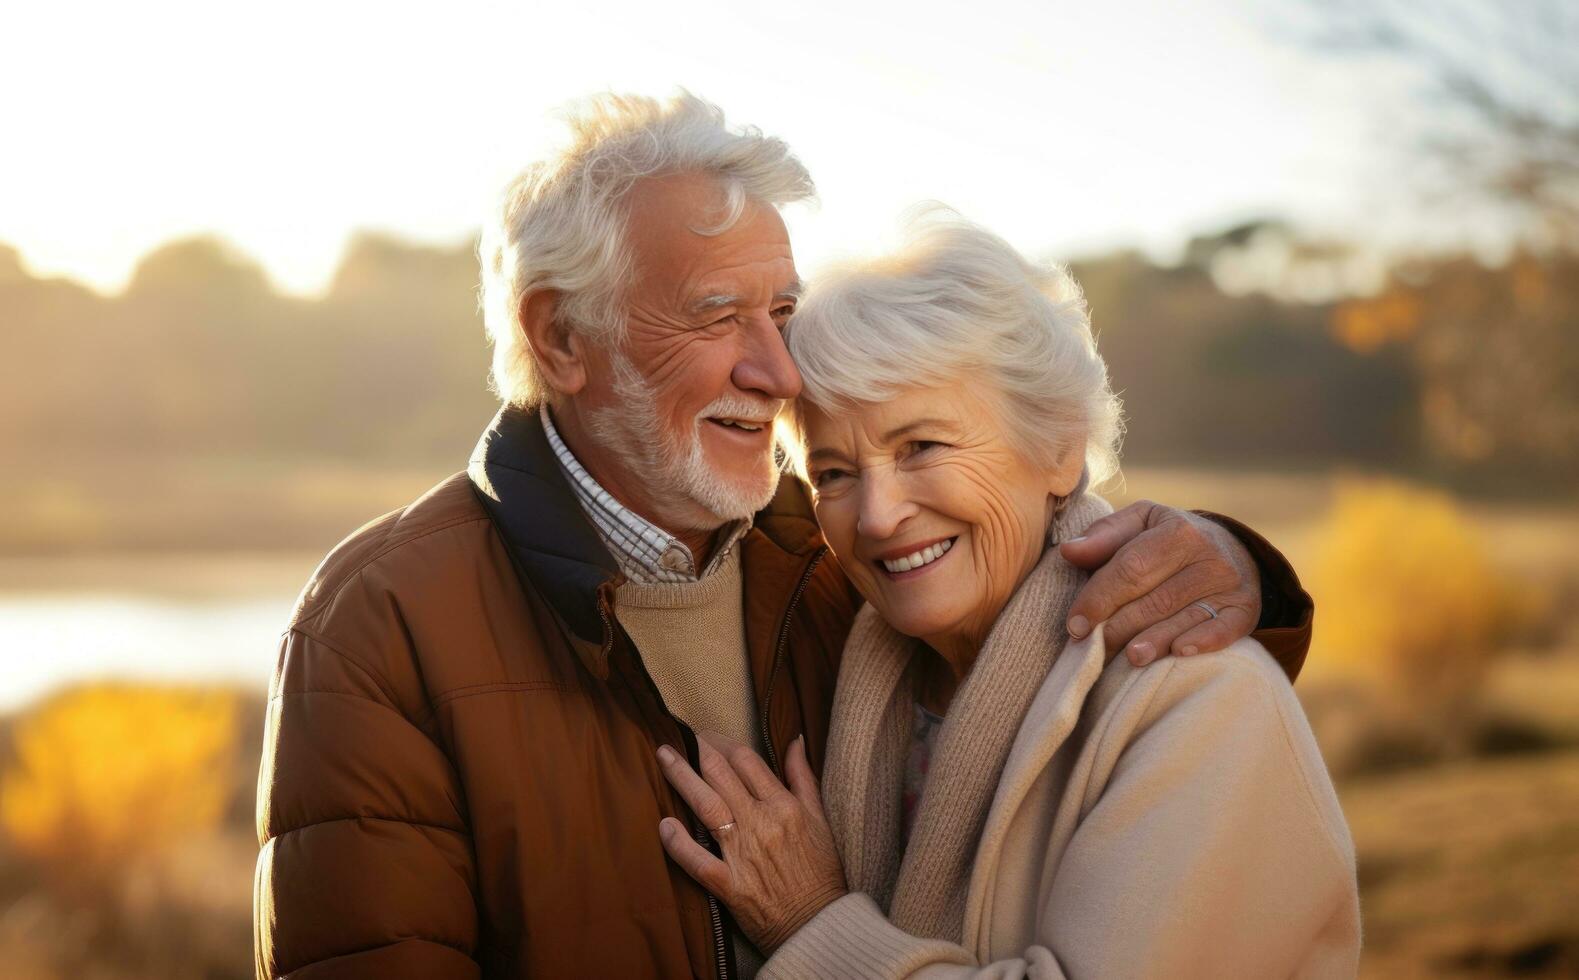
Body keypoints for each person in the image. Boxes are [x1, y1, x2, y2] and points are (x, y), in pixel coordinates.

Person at [253, 93, 1315, 979]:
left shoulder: (843, 561)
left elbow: (1039, 552)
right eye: (720, 317)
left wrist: (1228, 559)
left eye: (783, 311)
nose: (777, 370)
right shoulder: (381, 624)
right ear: (560, 336)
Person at [654, 212, 1359, 977]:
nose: (878, 515)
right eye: (832, 474)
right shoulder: (857, 673)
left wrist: (813, 926)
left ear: (1057, 447)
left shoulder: (1198, 698)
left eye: (920, 445)